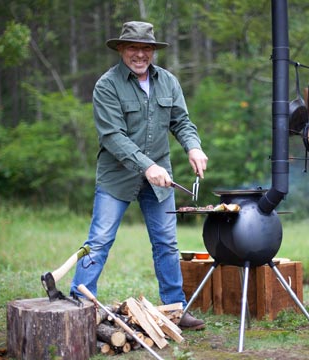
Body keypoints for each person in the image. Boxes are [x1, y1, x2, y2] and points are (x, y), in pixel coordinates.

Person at [70, 21, 208, 330]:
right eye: (133, 47)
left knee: (167, 243)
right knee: (100, 239)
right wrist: (147, 165)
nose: (140, 54)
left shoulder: (168, 82)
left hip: (159, 178)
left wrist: (193, 147)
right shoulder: (107, 85)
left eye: (146, 48)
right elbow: (112, 136)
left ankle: (174, 309)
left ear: (153, 51)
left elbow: (181, 122)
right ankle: (78, 306)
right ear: (121, 49)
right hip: (117, 176)